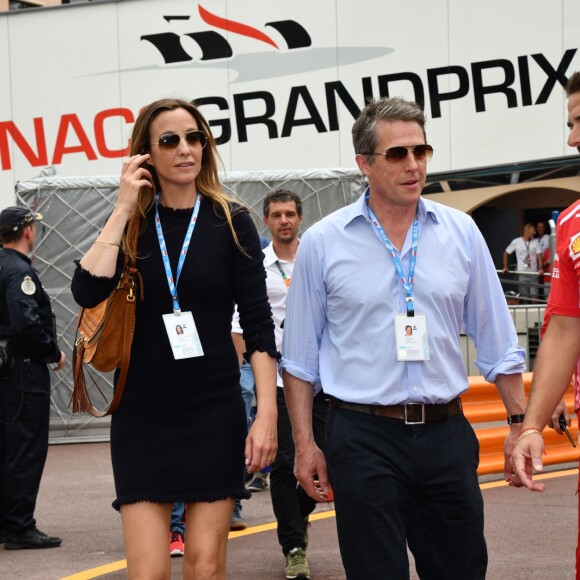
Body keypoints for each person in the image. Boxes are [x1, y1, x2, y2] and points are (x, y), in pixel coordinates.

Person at [280, 96, 527, 579]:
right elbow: (300, 360)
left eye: (421, 151)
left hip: (446, 432)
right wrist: (306, 445)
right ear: (364, 164)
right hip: (362, 434)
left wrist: (519, 423)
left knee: (461, 569)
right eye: (397, 154)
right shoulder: (323, 242)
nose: (413, 165)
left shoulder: (461, 232)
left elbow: (497, 339)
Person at [71, 98, 278, 579]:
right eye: (170, 140)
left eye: (195, 138)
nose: (186, 149)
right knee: (149, 573)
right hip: (141, 414)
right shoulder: (132, 224)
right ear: (145, 153)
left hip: (214, 410)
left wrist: (265, 414)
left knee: (205, 568)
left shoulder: (232, 220)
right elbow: (86, 289)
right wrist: (123, 206)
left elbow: (258, 325)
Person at [234, 189, 329, 579]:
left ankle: (299, 518)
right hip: (277, 379)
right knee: (288, 463)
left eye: (290, 213)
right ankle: (293, 545)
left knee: (326, 461)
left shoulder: (318, 258)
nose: (284, 220)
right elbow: (239, 323)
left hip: (326, 380)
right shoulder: (256, 266)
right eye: (276, 215)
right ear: (267, 221)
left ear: (300, 218)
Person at [512, 70, 580, 576]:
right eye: (570, 122)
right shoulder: (573, 223)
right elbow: (563, 328)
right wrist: (532, 424)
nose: (572, 138)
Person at [0, 206, 66, 550]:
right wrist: (51, 352)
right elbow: (26, 322)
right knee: (25, 448)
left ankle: (5, 521)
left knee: (6, 448)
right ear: (27, 231)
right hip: (23, 370)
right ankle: (19, 526)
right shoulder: (18, 272)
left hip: (5, 370)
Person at [502, 223, 544, 302]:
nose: (535, 233)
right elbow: (506, 253)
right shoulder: (516, 241)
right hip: (522, 274)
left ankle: (534, 312)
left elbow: (539, 256)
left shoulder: (535, 242)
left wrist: (541, 268)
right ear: (527, 231)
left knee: (534, 297)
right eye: (533, 231)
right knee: (525, 297)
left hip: (533, 274)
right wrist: (505, 267)